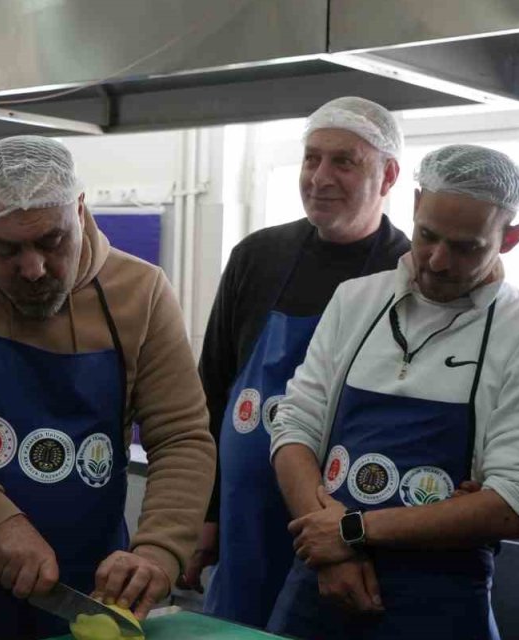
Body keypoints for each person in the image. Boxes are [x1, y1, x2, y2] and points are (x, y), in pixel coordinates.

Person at [0, 134, 216, 639]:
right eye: (5, 249)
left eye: (52, 241)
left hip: (90, 598)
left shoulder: (142, 291)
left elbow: (181, 437)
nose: (33, 269)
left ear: (80, 209)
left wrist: (158, 548)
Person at [266, 144, 519, 639]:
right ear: (414, 208)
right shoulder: (355, 299)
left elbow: (514, 500)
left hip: (440, 600)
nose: (437, 260)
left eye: (466, 246)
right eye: (428, 235)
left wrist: (350, 532)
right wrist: (327, 545)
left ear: (510, 237)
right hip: (320, 579)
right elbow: (294, 425)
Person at [185, 96, 410, 628]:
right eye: (312, 158)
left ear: (389, 174)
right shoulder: (257, 256)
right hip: (245, 521)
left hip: (347, 521)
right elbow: (212, 391)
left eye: (344, 162)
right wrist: (207, 514)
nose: (320, 177)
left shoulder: (404, 273)